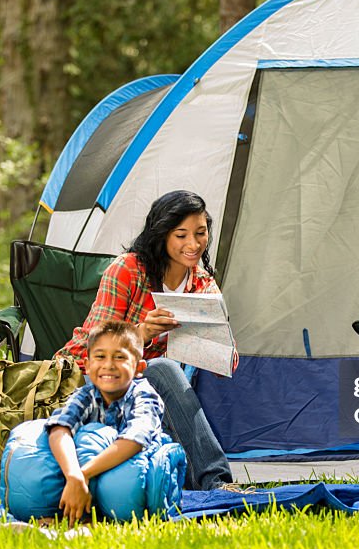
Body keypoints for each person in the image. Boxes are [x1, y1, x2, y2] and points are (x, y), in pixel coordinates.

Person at [54, 190, 234, 490]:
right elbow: (96, 347)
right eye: (181, 235)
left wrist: (222, 351)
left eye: (200, 233)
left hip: (144, 383)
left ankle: (209, 484)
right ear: (162, 234)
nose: (193, 244)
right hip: (93, 374)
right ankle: (215, 481)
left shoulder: (202, 283)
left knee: (164, 372)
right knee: (163, 369)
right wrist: (141, 332)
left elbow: (221, 358)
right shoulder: (128, 269)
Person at [48, 320, 170, 526]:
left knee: (93, 438)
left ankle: (88, 517)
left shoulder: (144, 396)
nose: (108, 365)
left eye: (120, 357)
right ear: (87, 365)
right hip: (84, 478)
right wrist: (73, 475)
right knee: (53, 452)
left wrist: (82, 474)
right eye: (100, 356)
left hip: (129, 476)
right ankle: (66, 517)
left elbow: (135, 439)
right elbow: (60, 427)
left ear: (139, 367)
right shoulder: (86, 394)